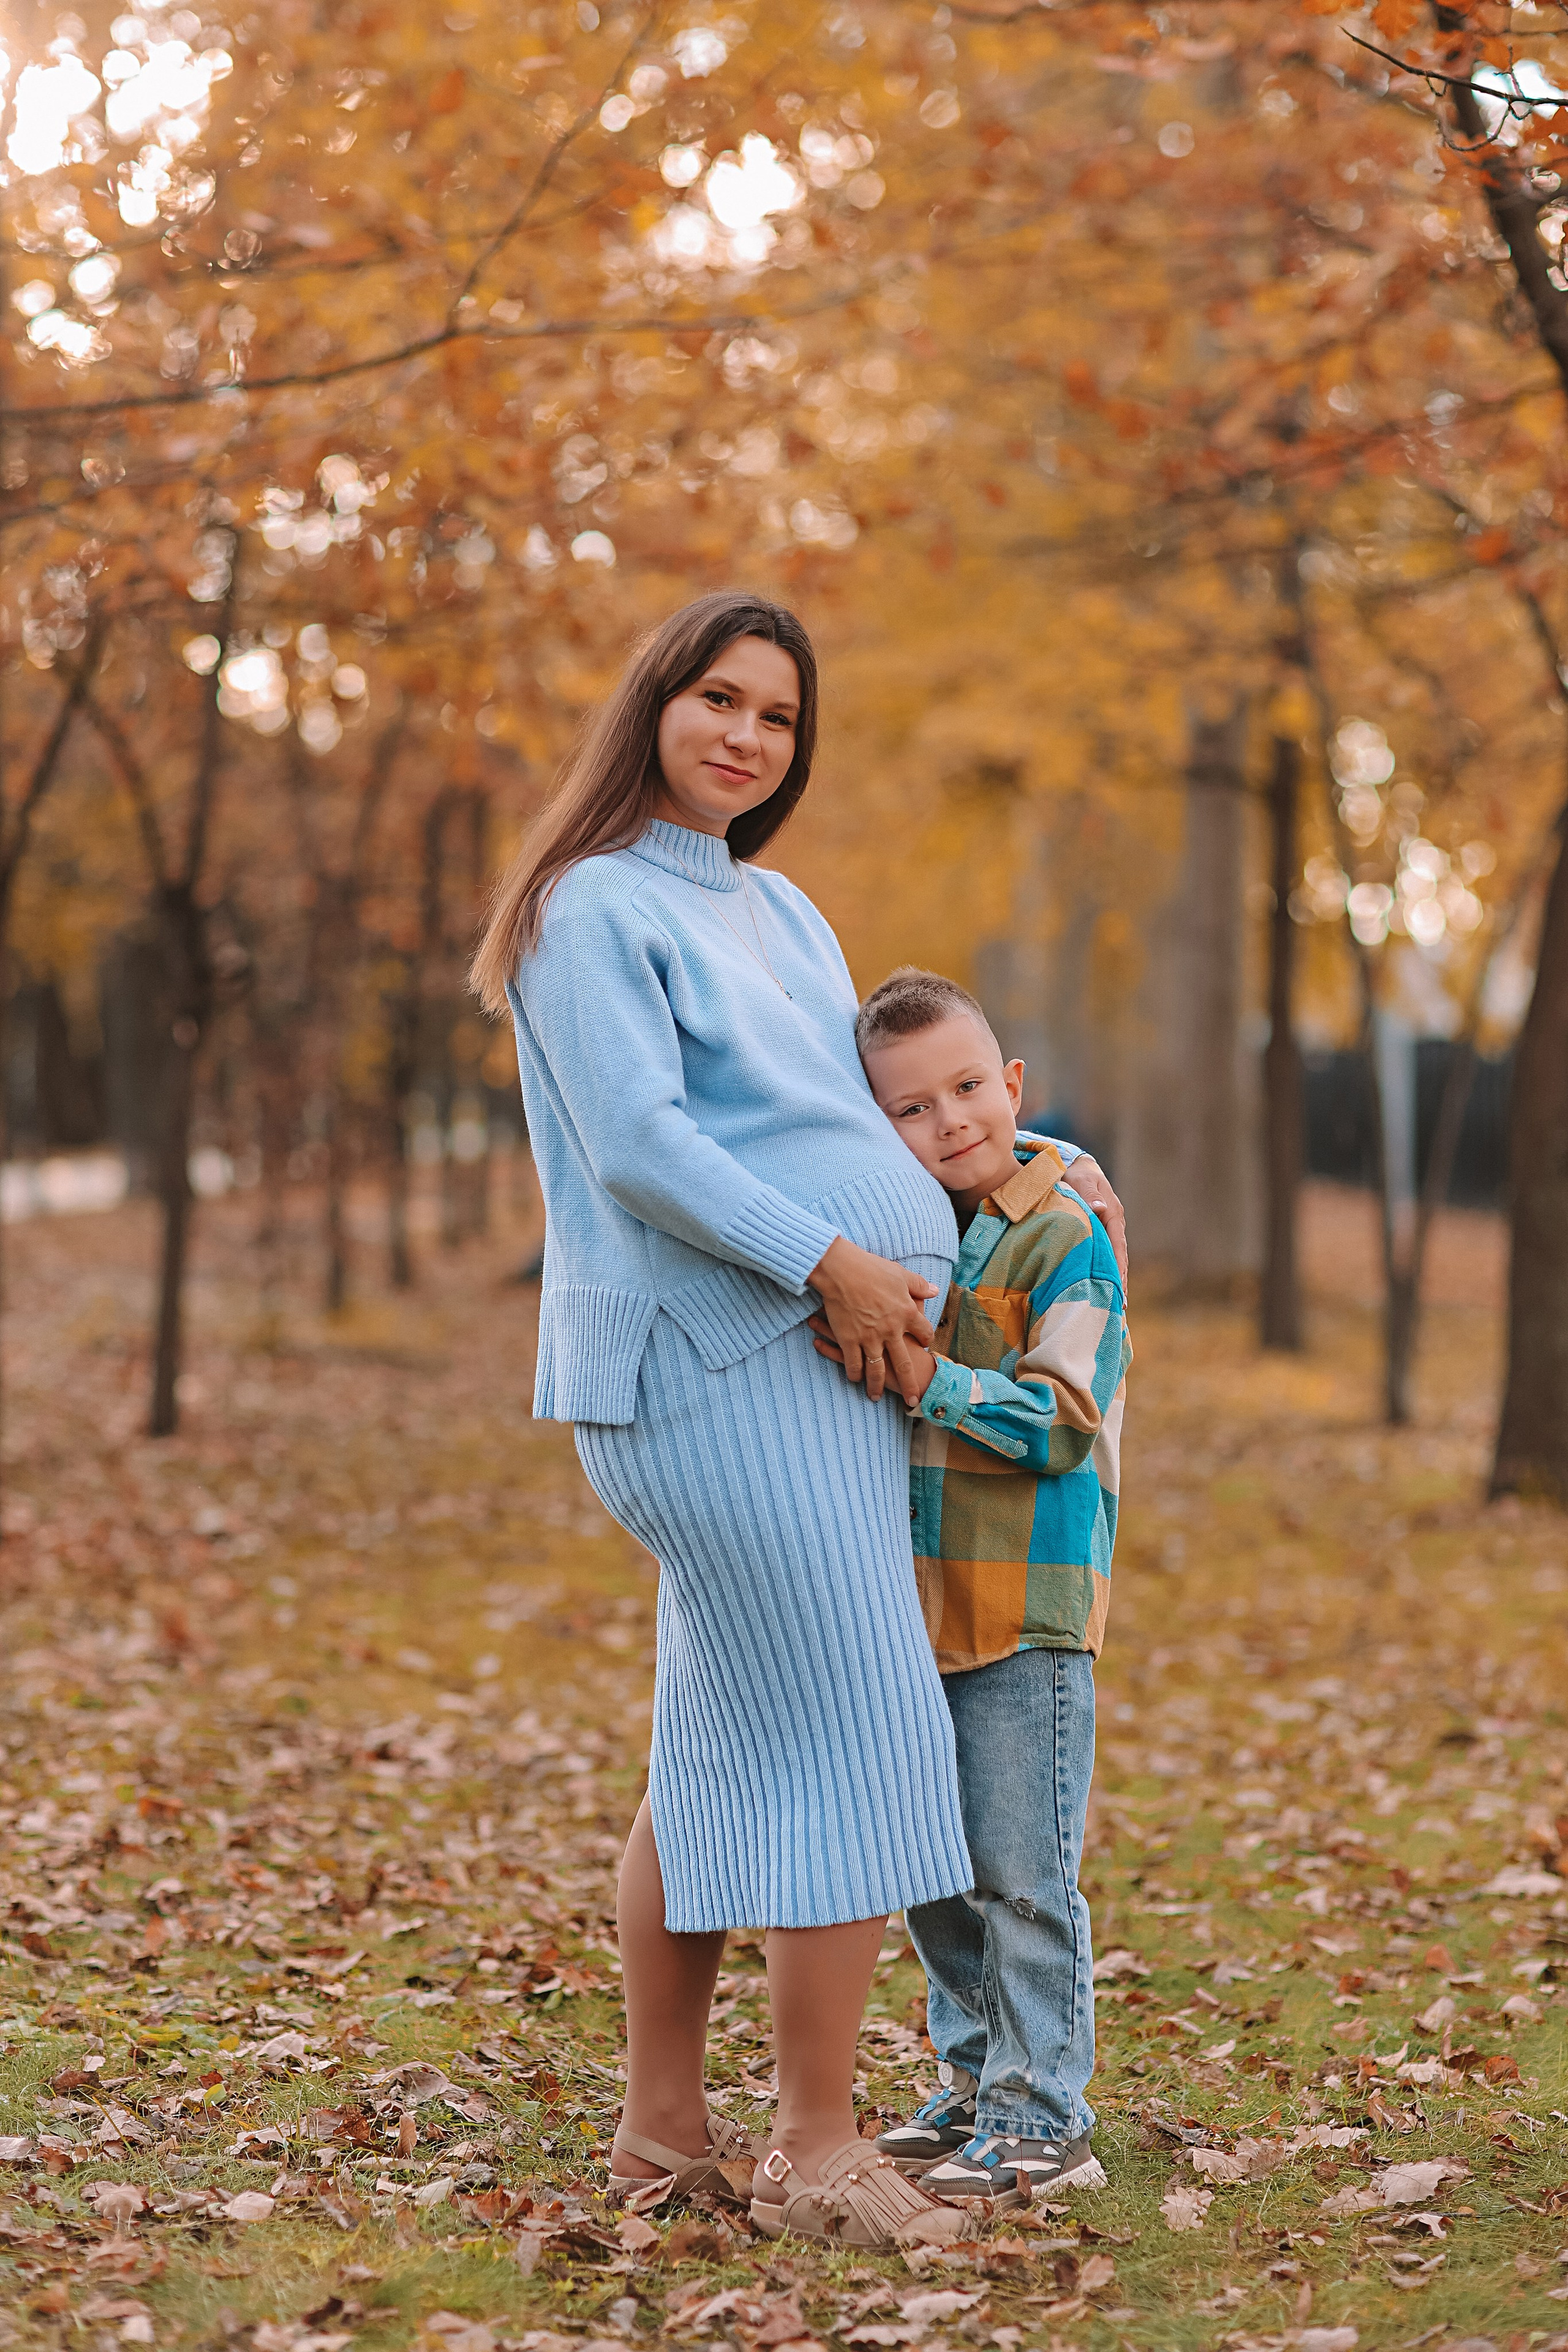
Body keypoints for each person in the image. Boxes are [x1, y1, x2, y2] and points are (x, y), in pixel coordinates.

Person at [470, 592, 1126, 2247]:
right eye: (715, 697)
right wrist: (831, 1262)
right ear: (654, 709)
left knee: (712, 1753)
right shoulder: (588, 909)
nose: (744, 735)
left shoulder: (784, 910)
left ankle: (663, 2134)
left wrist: (1033, 1178)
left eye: (775, 715)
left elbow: (881, 1121)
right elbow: (641, 1147)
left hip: (831, 1370)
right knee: (864, 1722)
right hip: (718, 1358)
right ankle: (823, 2145)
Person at [810, 967, 1129, 2210]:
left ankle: (1045, 2114)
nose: (946, 1122)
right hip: (918, 1608)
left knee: (1019, 1871)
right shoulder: (915, 1231)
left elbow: (1058, 1418)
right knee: (935, 1876)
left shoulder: (1066, 1234)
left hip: (1025, 1610)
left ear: (1010, 1089)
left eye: (964, 1091)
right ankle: (973, 2087)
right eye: (909, 1109)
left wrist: (925, 1383)